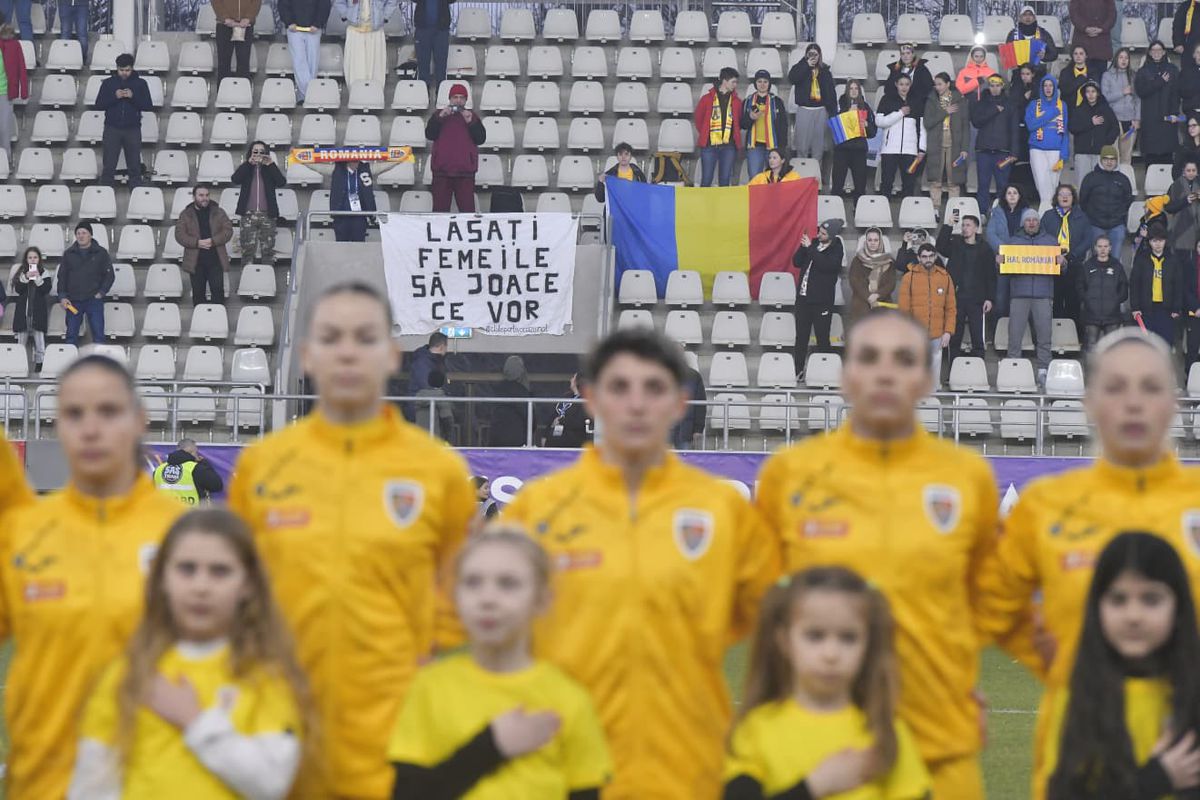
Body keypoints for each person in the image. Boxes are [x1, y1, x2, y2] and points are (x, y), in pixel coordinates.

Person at [501, 329, 780, 799]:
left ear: (678, 403)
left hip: (688, 765)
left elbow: (776, 630)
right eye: (619, 387)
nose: (635, 404)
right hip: (567, 763)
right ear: (590, 398)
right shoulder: (538, 509)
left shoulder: (720, 510)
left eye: (653, 388)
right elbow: (497, 633)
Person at [228, 282, 475, 800]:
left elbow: (461, 603)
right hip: (281, 736)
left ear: (390, 355)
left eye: (365, 337)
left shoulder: (438, 472)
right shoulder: (262, 467)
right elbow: (236, 594)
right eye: (331, 337)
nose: (347, 351)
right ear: (309, 355)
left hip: (398, 739)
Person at [755, 309, 1001, 800]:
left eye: (903, 359)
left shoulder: (968, 478)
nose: (885, 372)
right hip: (823, 755)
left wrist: (952, 673)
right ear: (846, 376)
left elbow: (990, 601)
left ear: (926, 379)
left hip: (939, 748)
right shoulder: (791, 475)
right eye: (868, 358)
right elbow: (761, 608)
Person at [972, 330, 1200, 798]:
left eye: (1150, 388)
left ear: (1175, 402)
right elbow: (991, 605)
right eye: (1115, 388)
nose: (1133, 403)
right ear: (1090, 402)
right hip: (1081, 738)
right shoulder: (1048, 505)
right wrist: (1059, 663)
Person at [0, 355, 178, 799]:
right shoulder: (24, 534)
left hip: (155, 783)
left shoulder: (184, 535)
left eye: (109, 411)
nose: (91, 429)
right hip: (44, 783)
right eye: (74, 414)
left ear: (140, 420)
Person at [68, 509, 309, 800]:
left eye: (220, 571)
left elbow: (271, 783)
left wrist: (195, 721)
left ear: (247, 585)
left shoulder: (266, 676)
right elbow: (92, 787)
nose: (201, 587)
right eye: (187, 569)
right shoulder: (128, 675)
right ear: (161, 579)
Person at [389, 527, 611, 798]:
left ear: (542, 600)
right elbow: (409, 794)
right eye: (472, 583)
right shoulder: (430, 688)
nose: (487, 599)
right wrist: (491, 746)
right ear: (454, 596)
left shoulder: (568, 698)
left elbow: (586, 792)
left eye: (507, 584)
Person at [722, 567, 931, 800]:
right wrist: (814, 786)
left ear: (868, 645)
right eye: (815, 636)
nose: (831, 654)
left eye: (848, 638)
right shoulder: (756, 730)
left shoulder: (885, 732)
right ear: (784, 641)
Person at [1044, 532, 1200, 800]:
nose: (1133, 616)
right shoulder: (1076, 699)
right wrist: (1154, 780)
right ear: (1097, 607)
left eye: (1151, 599)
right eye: (1118, 599)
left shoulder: (1191, 692)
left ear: (1178, 607)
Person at [999, 208, 1060, 383]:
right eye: (1028, 220)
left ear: (1039, 222)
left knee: (1044, 335)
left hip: (1043, 294)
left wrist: (1062, 263)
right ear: (1023, 223)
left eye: (1034, 219)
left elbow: (1061, 268)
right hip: (1019, 294)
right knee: (1015, 335)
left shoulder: (1050, 241)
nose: (1032, 223)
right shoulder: (1013, 242)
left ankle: (1044, 370)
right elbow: (1004, 270)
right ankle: (1013, 369)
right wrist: (999, 263)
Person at [938, 214, 997, 358]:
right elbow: (939, 247)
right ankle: (952, 372)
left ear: (976, 228)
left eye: (968, 225)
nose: (965, 228)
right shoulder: (956, 244)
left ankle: (979, 371)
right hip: (956, 298)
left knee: (977, 338)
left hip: (977, 300)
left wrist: (990, 298)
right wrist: (948, 225)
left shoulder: (985, 249)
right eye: (963, 225)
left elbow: (991, 276)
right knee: (955, 338)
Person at [899, 242, 957, 385]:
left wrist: (948, 332)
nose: (928, 259)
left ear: (936, 256)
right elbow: (904, 309)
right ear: (918, 258)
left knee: (934, 377)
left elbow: (951, 308)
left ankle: (933, 401)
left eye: (931, 256)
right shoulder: (909, 277)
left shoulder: (945, 277)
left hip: (937, 334)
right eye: (924, 257)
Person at [793, 219, 843, 376]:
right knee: (801, 337)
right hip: (803, 299)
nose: (819, 235)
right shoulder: (813, 244)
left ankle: (824, 373)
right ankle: (798, 370)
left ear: (832, 235)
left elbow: (827, 266)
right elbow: (796, 262)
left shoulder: (837, 249)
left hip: (822, 302)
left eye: (823, 233)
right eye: (819, 231)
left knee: (822, 338)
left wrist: (810, 250)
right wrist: (803, 248)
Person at [94, 54, 152, 188]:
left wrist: (133, 97)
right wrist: (115, 97)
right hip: (112, 128)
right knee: (109, 166)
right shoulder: (108, 83)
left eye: (127, 70)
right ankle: (105, 196)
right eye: (121, 70)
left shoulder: (141, 83)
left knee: (135, 166)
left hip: (133, 129)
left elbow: (148, 105)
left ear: (132, 68)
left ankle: (136, 197)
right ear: (117, 68)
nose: (124, 73)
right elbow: (99, 104)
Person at [426, 83, 486, 212]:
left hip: (465, 173)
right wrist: (440, 117)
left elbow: (481, 139)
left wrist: (471, 123)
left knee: (467, 212)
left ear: (465, 100)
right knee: (440, 212)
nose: (458, 100)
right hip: (442, 172)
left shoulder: (472, 116)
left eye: (461, 97)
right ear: (450, 99)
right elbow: (429, 134)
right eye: (455, 97)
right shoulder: (438, 115)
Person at [1041, 184, 1094, 326]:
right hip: (1052, 264)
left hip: (1074, 264)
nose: (1064, 197)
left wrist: (1071, 255)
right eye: (1061, 194)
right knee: (1055, 301)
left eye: (1068, 194)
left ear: (1073, 198)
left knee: (1073, 301)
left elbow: (1088, 239)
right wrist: (1054, 253)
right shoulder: (1048, 216)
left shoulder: (1082, 217)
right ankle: (1056, 335)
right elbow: (1041, 237)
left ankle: (1074, 334)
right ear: (1056, 198)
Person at [175, 186, 233, 306]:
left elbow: (228, 231)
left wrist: (213, 241)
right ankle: (199, 323)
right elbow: (179, 235)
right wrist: (197, 243)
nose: (204, 198)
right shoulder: (186, 214)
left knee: (218, 293)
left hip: (216, 260)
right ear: (194, 197)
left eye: (207, 195)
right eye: (201, 195)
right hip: (195, 262)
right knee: (198, 294)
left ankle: (219, 322)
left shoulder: (219, 212)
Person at [58, 221, 114, 346]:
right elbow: (62, 277)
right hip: (73, 301)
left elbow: (109, 276)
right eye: (78, 233)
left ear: (90, 235)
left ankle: (99, 364)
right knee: (71, 335)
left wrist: (101, 292)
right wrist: (62, 296)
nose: (81, 236)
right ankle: (71, 363)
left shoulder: (101, 253)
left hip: (93, 300)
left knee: (99, 335)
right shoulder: (68, 254)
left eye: (84, 233)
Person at [231, 141, 285, 267]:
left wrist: (270, 164)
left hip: (268, 215)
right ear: (250, 153)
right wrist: (249, 164)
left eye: (262, 152)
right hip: (248, 214)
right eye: (255, 151)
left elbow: (281, 182)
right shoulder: (247, 168)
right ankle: (247, 280)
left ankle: (267, 281)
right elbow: (235, 179)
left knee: (268, 251)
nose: (258, 154)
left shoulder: (269, 168)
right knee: (247, 251)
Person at [972, 75, 1018, 214]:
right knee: (983, 185)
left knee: (1002, 186)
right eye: (992, 85)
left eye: (997, 85)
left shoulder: (1010, 104)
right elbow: (976, 122)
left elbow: (1015, 130)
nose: (994, 88)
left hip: (1003, 152)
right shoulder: (981, 102)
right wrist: (994, 110)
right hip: (984, 151)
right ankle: (982, 213)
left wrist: (1014, 152)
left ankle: (1000, 213)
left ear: (1002, 86)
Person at [877, 74, 928, 198]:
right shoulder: (886, 99)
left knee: (909, 184)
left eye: (907, 84)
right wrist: (900, 113)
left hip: (910, 151)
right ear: (896, 84)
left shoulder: (917, 101)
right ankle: (883, 211)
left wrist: (922, 149)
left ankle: (908, 213)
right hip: (889, 149)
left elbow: (922, 127)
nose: (904, 87)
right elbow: (879, 122)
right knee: (887, 182)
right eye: (901, 84)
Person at [1130, 225, 1182, 344]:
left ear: (1165, 241)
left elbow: (1178, 285)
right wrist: (1135, 307)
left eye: (1161, 240)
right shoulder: (1142, 260)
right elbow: (1134, 284)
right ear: (1149, 242)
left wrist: (1176, 308)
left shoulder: (1172, 260)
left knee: (1165, 343)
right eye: (1154, 241)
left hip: (1166, 309)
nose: (1158, 244)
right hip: (1146, 309)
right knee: (1145, 345)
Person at [924, 72, 970, 207]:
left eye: (940, 84)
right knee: (935, 180)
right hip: (936, 143)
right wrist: (945, 112)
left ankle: (953, 211)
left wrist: (965, 148)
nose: (937, 87)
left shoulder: (960, 100)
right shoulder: (931, 100)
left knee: (953, 180)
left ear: (948, 84)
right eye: (935, 84)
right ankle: (935, 210)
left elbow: (965, 126)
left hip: (954, 143)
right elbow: (928, 123)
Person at [1079, 146, 1133, 258]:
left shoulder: (1123, 179)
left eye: (1112, 159)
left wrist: (1120, 217)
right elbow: (1083, 201)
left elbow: (1127, 200)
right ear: (1101, 160)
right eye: (1106, 159)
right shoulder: (1090, 178)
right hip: (1095, 225)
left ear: (1117, 161)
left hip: (1117, 225)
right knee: (1096, 259)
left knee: (1115, 259)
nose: (1109, 162)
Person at [1026, 76, 1070, 213]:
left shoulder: (1062, 105)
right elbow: (1031, 125)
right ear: (1041, 87)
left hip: (1056, 150)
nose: (1048, 88)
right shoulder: (1034, 104)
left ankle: (1047, 214)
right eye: (1045, 85)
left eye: (1051, 85)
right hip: (1037, 149)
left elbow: (1065, 131)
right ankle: (1050, 215)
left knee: (1053, 185)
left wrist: (1064, 154)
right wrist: (1051, 113)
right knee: (1042, 184)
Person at [694, 67, 742, 187]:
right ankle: (704, 206)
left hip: (729, 146)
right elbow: (699, 120)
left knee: (725, 180)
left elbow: (738, 121)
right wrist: (706, 134)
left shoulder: (737, 101)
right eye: (733, 82)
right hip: (709, 145)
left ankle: (722, 206)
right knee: (706, 179)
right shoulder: (706, 99)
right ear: (724, 81)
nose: (735, 85)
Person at [787, 44, 836, 164]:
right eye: (810, 54)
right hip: (804, 109)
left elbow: (831, 93)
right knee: (802, 146)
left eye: (816, 54)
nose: (813, 57)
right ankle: (801, 176)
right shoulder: (800, 67)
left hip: (820, 110)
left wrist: (833, 112)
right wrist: (805, 65)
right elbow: (792, 78)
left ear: (820, 56)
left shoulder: (825, 71)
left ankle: (816, 178)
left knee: (818, 148)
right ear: (806, 55)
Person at [1136, 40, 1182, 167]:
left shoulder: (1172, 70)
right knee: (1150, 156)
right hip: (1149, 119)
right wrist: (1159, 81)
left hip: (1167, 118)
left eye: (1159, 50)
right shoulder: (1143, 71)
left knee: (1167, 155)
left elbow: (1176, 94)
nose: (1156, 53)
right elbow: (1141, 91)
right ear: (1149, 53)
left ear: (1164, 52)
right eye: (1153, 50)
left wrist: (1174, 113)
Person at [1077, 235, 1128, 347]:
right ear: (1095, 248)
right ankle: (1091, 366)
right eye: (1100, 246)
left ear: (1110, 248)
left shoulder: (1117, 266)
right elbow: (1080, 286)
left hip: (1112, 316)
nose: (1103, 249)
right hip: (1091, 316)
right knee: (1091, 347)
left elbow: (1124, 287)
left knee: (1112, 349)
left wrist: (1115, 301)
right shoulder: (1087, 265)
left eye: (1105, 246)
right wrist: (1087, 300)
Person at [831, 79, 876, 199]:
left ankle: (858, 210)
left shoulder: (865, 107)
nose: (854, 91)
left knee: (860, 185)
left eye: (856, 88)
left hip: (859, 150)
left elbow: (873, 132)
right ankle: (835, 210)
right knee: (837, 184)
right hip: (842, 150)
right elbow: (833, 127)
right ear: (847, 90)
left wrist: (866, 124)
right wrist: (846, 114)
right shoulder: (839, 105)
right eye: (851, 88)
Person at [278, 0, 330, 103]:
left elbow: (324, 5)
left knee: (313, 62)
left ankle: (305, 95)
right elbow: (283, 4)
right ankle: (309, 94)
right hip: (295, 30)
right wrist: (289, 22)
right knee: (298, 61)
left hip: (313, 29)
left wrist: (317, 23)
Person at [741, 69, 789, 179]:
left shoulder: (777, 101)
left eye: (765, 82)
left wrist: (781, 147)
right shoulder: (748, 101)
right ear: (755, 84)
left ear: (769, 84)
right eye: (759, 81)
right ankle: (756, 197)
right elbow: (743, 125)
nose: (762, 84)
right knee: (755, 177)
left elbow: (783, 125)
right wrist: (751, 118)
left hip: (773, 146)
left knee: (773, 177)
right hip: (755, 146)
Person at [335, 0, 396, 85]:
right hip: (354, 31)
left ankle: (375, 94)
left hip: (376, 31)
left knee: (376, 70)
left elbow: (392, 2)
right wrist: (347, 15)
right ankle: (356, 94)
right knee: (355, 69)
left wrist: (385, 17)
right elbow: (339, 2)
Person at [152, 437, 225, 504]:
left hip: (165, 515)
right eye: (196, 452)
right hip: (190, 515)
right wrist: (204, 464)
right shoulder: (197, 469)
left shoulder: (159, 470)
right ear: (191, 450)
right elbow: (217, 485)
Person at [10, 246, 49, 370]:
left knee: (39, 339)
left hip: (37, 312)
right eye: (30, 257)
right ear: (26, 259)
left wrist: (38, 278)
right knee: (21, 339)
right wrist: (26, 277)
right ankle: (18, 364)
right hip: (23, 312)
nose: (33, 260)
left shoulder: (45, 272)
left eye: (35, 257)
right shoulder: (22, 272)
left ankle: (40, 363)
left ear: (39, 259)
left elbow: (45, 290)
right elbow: (18, 289)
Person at [848, 227, 896, 325]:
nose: (873, 243)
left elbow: (891, 283)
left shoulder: (889, 260)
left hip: (883, 301)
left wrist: (877, 295)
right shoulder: (857, 260)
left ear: (880, 241)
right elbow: (855, 281)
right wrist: (869, 297)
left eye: (876, 240)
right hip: (862, 301)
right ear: (866, 242)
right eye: (870, 240)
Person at [1070, 81, 1118, 176]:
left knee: (1100, 185)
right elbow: (1072, 127)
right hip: (1082, 153)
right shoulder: (1078, 110)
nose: (1091, 94)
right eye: (1088, 92)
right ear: (1084, 94)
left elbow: (1115, 128)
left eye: (1093, 91)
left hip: (1100, 154)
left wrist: (1105, 143)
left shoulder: (1106, 110)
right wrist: (1090, 123)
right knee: (1082, 184)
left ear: (1098, 93)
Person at [1102, 48, 1141, 165]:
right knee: (1113, 156)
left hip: (1130, 121)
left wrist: (1137, 119)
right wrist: (1122, 92)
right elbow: (1104, 97)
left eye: (1126, 58)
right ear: (1116, 59)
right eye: (1121, 57)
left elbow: (1138, 99)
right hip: (1113, 120)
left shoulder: (1133, 76)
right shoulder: (1107, 75)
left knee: (1126, 157)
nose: (1124, 60)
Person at [488, 355, 534, 448]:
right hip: (516, 438)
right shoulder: (522, 392)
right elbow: (529, 416)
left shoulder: (497, 390)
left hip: (496, 437)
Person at [1007, 5, 1060, 80]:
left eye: (1030, 15)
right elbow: (1006, 55)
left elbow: (1054, 54)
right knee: (1016, 91)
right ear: (1020, 18)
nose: (1028, 17)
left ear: (1034, 18)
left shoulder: (1043, 34)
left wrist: (1044, 57)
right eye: (1025, 15)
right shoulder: (1012, 34)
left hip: (1038, 73)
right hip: (1019, 74)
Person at [0, 25, 28, 162]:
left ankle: (7, 161)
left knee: (5, 130)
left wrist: (24, 91)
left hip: (5, 92)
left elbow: (22, 67)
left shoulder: (15, 45)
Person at [330, 160, 376, 242]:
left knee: (359, 248)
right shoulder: (338, 169)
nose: (357, 163)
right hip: (341, 217)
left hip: (359, 218)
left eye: (358, 161)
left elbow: (383, 167)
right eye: (354, 161)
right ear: (348, 161)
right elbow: (319, 168)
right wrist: (302, 161)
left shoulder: (364, 169)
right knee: (341, 247)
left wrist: (400, 160)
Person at [883, 43, 935, 116]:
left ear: (913, 54)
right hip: (898, 106)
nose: (905, 56)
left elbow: (928, 89)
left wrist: (914, 103)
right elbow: (888, 89)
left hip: (917, 107)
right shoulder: (895, 69)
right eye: (903, 54)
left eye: (908, 53)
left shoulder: (922, 69)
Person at [212, 0, 258, 80]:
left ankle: (243, 91)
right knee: (223, 63)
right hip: (224, 25)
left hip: (245, 26)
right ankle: (222, 91)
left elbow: (256, 2)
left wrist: (248, 17)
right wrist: (225, 17)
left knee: (244, 63)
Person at [543, 373, 592, 448]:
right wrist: (545, 436)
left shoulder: (586, 401)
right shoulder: (566, 396)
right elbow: (553, 416)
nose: (571, 380)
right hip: (553, 441)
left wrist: (561, 420)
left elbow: (579, 421)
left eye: (573, 378)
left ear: (578, 381)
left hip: (571, 444)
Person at [1167, 160, 1200, 265]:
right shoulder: (1175, 186)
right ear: (1183, 172)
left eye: (1193, 170)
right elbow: (1169, 207)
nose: (1191, 173)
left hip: (1197, 230)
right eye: (1188, 170)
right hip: (1180, 230)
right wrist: (1185, 201)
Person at [412, 0, 452, 88]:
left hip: (441, 29)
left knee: (441, 64)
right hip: (422, 28)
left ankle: (441, 92)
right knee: (422, 63)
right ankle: (424, 93)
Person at [1069, 0, 1116, 72]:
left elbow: (1112, 15)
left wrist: (1102, 29)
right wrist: (1084, 27)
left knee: (1100, 78)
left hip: (1101, 46)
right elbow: (1073, 13)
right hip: (1082, 42)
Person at [986, 183, 1031, 254]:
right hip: (1002, 253)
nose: (1012, 195)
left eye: (1015, 193)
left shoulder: (1028, 213)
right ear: (1005, 197)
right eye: (1009, 193)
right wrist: (1003, 248)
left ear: (1019, 196)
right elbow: (990, 233)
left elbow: (1032, 233)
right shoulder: (997, 213)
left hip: (1023, 253)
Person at [672, 362, 707, 450]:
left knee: (683, 461)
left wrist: (698, 429)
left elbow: (700, 404)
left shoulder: (694, 376)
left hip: (685, 430)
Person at [413, 370, 455, 441]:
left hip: (419, 437)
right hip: (434, 438)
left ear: (428, 381)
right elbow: (447, 418)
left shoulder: (419, 397)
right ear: (443, 382)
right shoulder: (441, 398)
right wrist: (449, 436)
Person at [406, 331, 448, 402]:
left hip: (426, 403)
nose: (447, 349)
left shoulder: (428, 360)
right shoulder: (423, 361)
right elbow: (425, 386)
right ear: (442, 346)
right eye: (446, 346)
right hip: (421, 405)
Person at [1181, 43, 1200, 119]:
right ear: (1193, 55)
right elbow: (1182, 91)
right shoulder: (1186, 72)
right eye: (1198, 52)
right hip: (1191, 112)